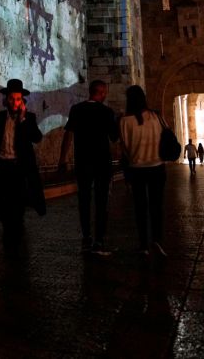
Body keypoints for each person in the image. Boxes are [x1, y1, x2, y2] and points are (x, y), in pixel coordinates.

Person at [0, 79, 45, 254]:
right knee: (3, 207)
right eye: (12, 99)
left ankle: (15, 238)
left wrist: (23, 120)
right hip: (2, 168)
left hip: (19, 170)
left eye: (18, 99)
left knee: (18, 206)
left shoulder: (29, 118)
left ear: (22, 101)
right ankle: (9, 234)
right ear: (7, 99)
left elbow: (36, 138)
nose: (15, 102)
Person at [57, 80, 119, 255]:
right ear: (102, 93)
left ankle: (86, 237)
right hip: (102, 164)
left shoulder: (77, 109)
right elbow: (114, 138)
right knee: (101, 202)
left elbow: (68, 134)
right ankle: (99, 240)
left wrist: (62, 159)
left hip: (83, 163)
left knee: (83, 200)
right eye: (105, 92)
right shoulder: (106, 112)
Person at [119, 85, 167, 258]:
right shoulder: (157, 117)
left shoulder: (125, 121)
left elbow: (124, 148)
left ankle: (143, 245)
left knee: (140, 208)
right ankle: (157, 241)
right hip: (157, 167)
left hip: (136, 169)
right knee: (156, 206)